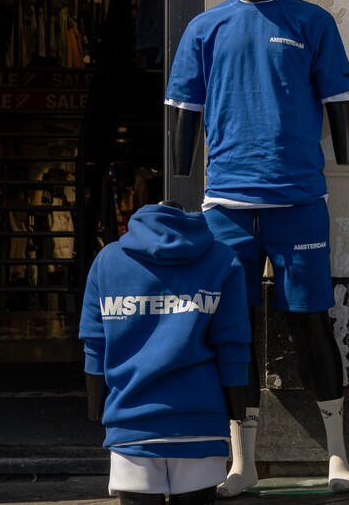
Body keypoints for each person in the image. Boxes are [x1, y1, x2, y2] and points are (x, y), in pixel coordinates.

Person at [164, 0, 349, 496]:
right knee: (234, 331)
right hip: (225, 203)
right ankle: (241, 462)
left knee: (312, 324)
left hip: (297, 198)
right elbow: (183, 119)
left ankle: (338, 457)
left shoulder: (311, 21)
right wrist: (180, 175)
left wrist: (345, 154)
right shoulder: (204, 29)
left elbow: (340, 109)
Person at [79, 201, 251, 505]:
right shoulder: (222, 259)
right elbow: (233, 343)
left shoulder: (107, 261)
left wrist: (96, 408)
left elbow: (94, 342)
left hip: (131, 424)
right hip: (201, 425)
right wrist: (236, 411)